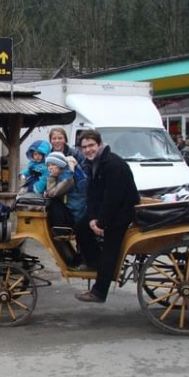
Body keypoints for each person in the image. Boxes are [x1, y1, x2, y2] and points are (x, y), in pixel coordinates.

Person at [74, 129, 140, 303]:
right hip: (109, 209)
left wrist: (102, 223)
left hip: (122, 212)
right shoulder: (95, 163)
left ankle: (99, 292)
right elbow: (94, 194)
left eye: (91, 146)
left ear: (100, 145)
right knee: (81, 226)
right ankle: (95, 262)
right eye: (84, 147)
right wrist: (92, 218)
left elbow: (114, 198)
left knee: (110, 249)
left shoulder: (112, 164)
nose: (88, 150)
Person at [44, 151, 87, 228]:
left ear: (60, 165)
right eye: (48, 165)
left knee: (53, 203)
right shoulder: (66, 172)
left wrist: (52, 177)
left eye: (53, 164)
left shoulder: (67, 178)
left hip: (76, 215)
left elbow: (52, 193)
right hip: (73, 210)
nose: (50, 167)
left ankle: (61, 231)